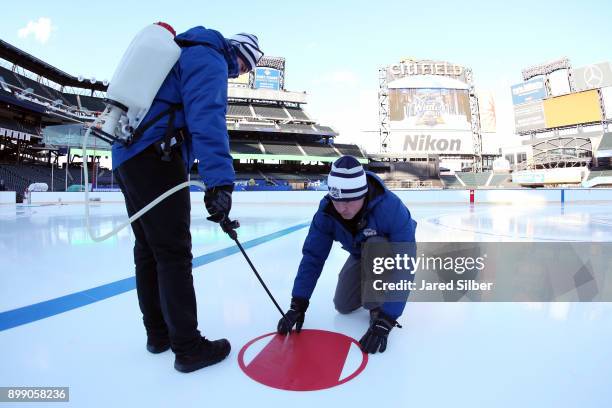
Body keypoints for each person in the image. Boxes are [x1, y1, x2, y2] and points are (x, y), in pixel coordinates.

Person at [111, 27, 263, 373]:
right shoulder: (209, 56)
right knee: (173, 253)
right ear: (234, 51)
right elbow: (207, 118)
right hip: (157, 155)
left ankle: (159, 334)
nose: (238, 72)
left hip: (127, 156)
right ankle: (188, 347)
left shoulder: (182, 52)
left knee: (149, 250)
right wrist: (220, 182)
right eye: (242, 64)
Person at [277, 155, 417, 354]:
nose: (342, 208)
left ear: (363, 194)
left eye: (350, 200)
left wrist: (388, 318)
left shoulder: (391, 208)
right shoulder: (327, 213)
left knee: (376, 245)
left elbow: (405, 263)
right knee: (342, 305)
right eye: (337, 200)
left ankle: (377, 306)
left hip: (389, 254)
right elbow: (313, 257)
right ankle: (371, 281)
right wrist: (298, 303)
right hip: (361, 252)